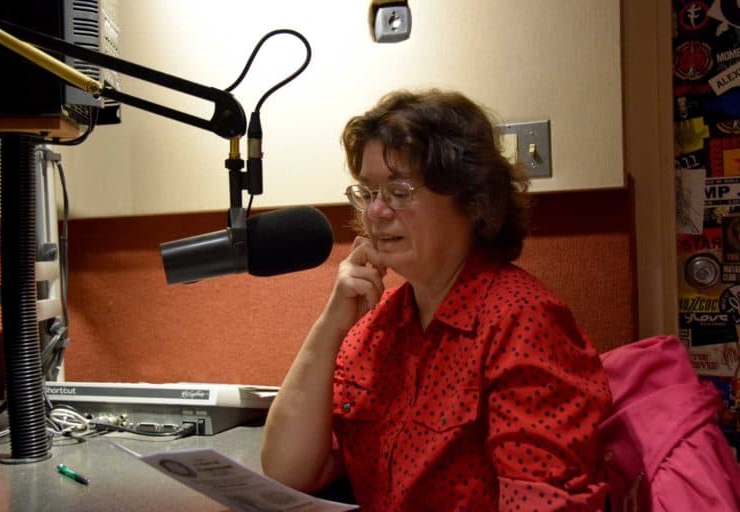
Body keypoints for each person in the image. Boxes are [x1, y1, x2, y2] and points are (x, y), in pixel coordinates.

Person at [261, 89, 613, 511]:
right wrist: (330, 326)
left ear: (472, 200)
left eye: (400, 190)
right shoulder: (378, 326)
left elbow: (544, 501)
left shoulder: (522, 321)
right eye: (369, 192)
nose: (375, 212)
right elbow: (287, 470)